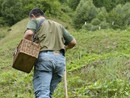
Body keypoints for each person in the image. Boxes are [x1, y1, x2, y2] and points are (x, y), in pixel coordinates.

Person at [24, 8, 76, 98]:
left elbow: (29, 34)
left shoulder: (34, 21)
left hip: (45, 59)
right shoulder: (58, 25)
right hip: (60, 61)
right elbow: (73, 42)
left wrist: (27, 48)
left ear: (32, 16)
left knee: (42, 94)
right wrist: (65, 48)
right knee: (47, 94)